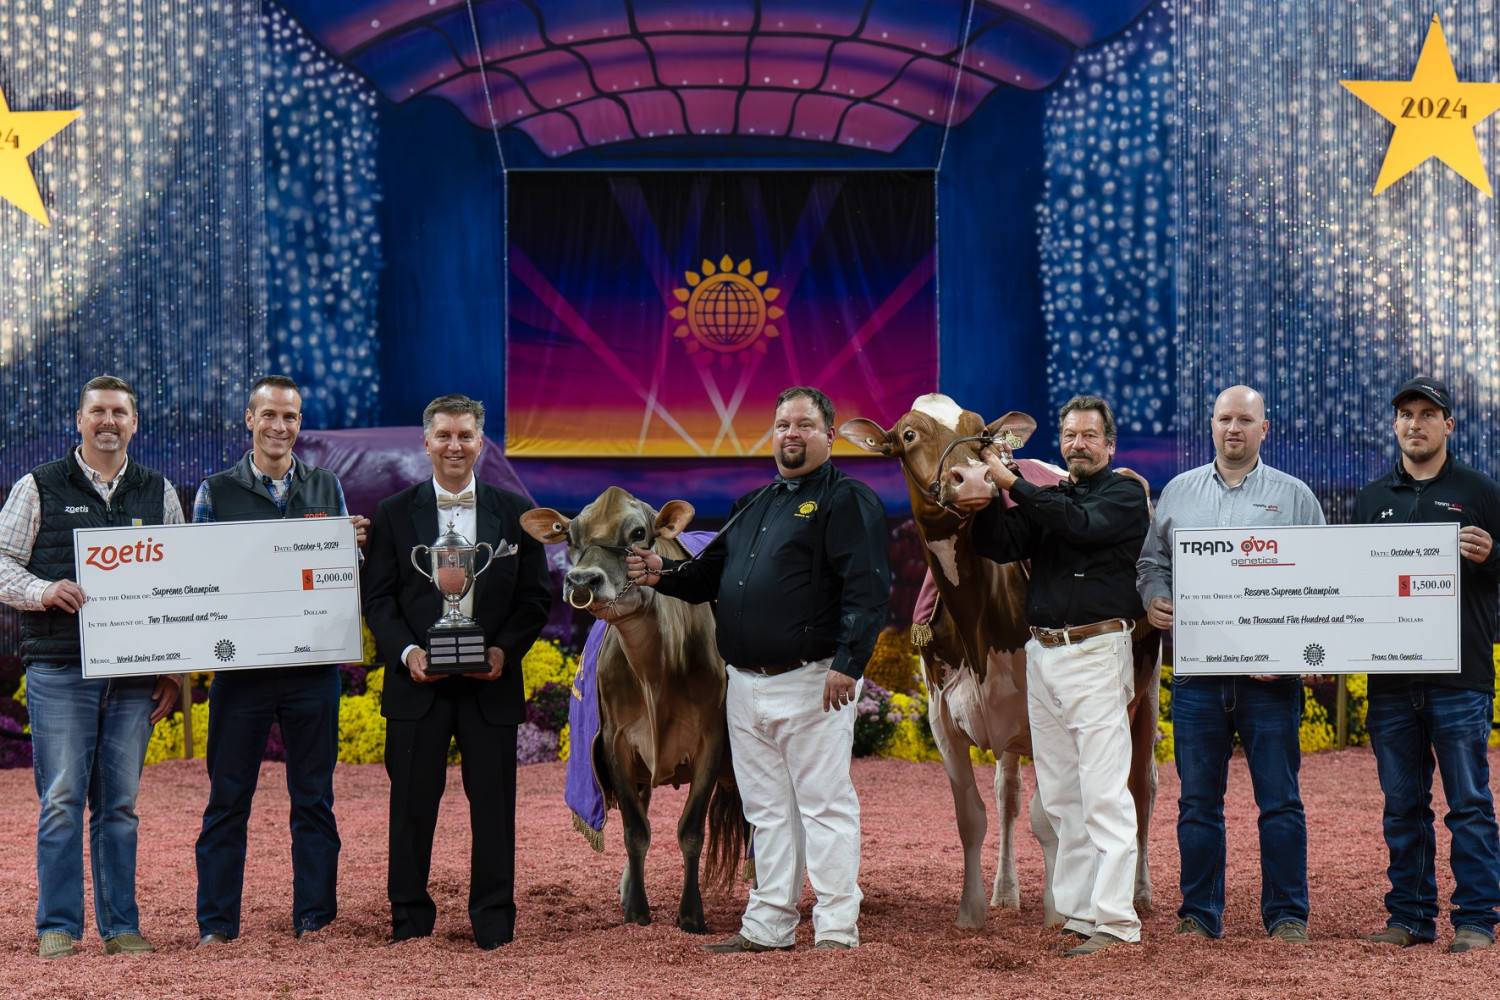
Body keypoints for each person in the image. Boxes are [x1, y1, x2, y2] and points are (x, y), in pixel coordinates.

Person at [626, 386, 889, 952]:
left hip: (813, 680)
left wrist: (848, 663)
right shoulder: (753, 502)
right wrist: (659, 573)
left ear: (830, 435)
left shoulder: (849, 499)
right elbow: (706, 577)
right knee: (767, 811)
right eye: (781, 424)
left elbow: (868, 590)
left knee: (823, 806)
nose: (791, 433)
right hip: (744, 685)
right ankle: (769, 924)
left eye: (804, 424)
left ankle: (838, 929)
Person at [0, 375, 183, 960]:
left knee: (121, 805)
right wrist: (44, 588)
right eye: (98, 411)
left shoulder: (160, 492)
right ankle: (57, 924)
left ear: (134, 423)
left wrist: (175, 671)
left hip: (133, 676)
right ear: (78, 420)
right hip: (59, 668)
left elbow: (182, 582)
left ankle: (121, 926)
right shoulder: (37, 486)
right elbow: (1, 562)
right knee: (61, 799)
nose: (109, 421)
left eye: (120, 413)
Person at [361, 394, 551, 949]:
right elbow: (379, 602)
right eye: (443, 435)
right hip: (417, 684)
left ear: (481, 442)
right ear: (426, 442)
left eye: (465, 435)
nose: (454, 445)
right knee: (411, 809)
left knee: (493, 810)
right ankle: (410, 921)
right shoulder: (394, 512)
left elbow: (535, 600)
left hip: (489, 686)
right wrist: (407, 654)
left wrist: (503, 652)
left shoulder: (516, 512)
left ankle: (494, 921)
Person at [1135, 385, 1324, 943]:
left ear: (1266, 429)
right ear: (1210, 425)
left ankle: (1288, 915)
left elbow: (1321, 583)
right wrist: (1154, 598)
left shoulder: (1295, 497)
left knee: (1280, 801)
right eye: (1224, 419)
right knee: (1196, 802)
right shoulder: (1178, 492)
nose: (1233, 428)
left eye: (1245, 419)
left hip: (1271, 680)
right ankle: (1199, 913)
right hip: (1197, 677)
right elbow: (1151, 564)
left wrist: (1297, 651)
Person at [193, 375, 369, 947]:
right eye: (268, 415)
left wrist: (353, 551)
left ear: (299, 424)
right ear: (249, 420)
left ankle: (315, 917)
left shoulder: (327, 487)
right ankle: (217, 925)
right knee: (227, 799)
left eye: (290, 417)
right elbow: (200, 582)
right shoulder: (214, 491)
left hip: (312, 672)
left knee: (314, 798)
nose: (279, 426)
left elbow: (344, 580)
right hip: (240, 675)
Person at [971, 395, 1147, 957]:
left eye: (1089, 435)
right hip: (1043, 653)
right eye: (1070, 435)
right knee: (1062, 795)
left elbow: (1083, 526)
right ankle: (1078, 911)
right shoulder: (1055, 499)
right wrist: (988, 493)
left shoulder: (1124, 493)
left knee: (1102, 793)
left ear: (1109, 444)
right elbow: (998, 544)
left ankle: (1116, 921)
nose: (1078, 444)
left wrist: (1014, 483)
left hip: (1096, 650)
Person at [1354, 375, 1500, 954]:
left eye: (1426, 414)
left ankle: (1477, 919)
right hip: (1390, 681)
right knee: (1402, 804)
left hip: (1459, 678)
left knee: (1469, 803)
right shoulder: (1370, 500)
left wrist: (1493, 556)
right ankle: (1410, 916)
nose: (1414, 424)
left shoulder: (1481, 491)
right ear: (1395, 425)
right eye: (1405, 414)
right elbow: (1353, 588)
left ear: (1449, 425)